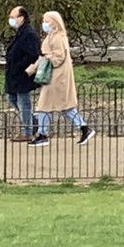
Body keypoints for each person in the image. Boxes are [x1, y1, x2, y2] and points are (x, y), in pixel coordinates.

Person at [25, 11, 92, 147]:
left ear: (54, 23)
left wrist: (46, 58)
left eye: (47, 21)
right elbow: (46, 56)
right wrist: (33, 68)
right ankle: (84, 127)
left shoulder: (58, 38)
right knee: (64, 106)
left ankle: (42, 134)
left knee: (44, 105)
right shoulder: (53, 36)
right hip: (55, 76)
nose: (44, 23)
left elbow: (58, 57)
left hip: (57, 77)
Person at [5, 6, 40, 142]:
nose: (11, 20)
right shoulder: (21, 32)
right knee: (11, 98)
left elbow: (33, 54)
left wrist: (19, 66)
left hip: (23, 74)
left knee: (23, 101)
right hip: (15, 74)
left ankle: (27, 131)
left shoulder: (28, 33)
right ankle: (33, 122)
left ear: (21, 18)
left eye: (13, 17)